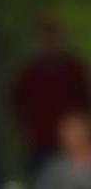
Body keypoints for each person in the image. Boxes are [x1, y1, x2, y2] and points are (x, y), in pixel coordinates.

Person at [10, 16, 90, 175]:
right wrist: (24, 131)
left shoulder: (74, 70)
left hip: (71, 146)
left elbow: (85, 103)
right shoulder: (28, 73)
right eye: (45, 36)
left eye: (53, 35)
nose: (50, 41)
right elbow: (15, 103)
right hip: (39, 145)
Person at [35, 111, 91, 189]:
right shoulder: (54, 166)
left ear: (85, 132)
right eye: (63, 133)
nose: (68, 138)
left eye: (74, 131)